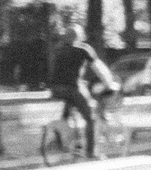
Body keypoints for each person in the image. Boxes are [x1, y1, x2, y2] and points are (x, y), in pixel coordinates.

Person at [48, 20, 115, 158]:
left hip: (55, 88)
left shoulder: (59, 49)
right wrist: (109, 82)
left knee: (70, 110)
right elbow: (99, 68)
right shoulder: (83, 49)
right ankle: (91, 153)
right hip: (72, 88)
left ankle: (67, 140)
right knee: (91, 118)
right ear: (78, 37)